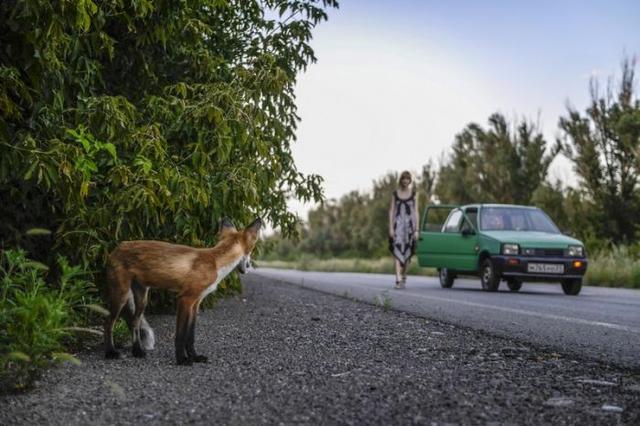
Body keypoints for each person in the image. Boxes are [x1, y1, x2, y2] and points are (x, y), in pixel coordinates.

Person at [388, 171, 419, 289]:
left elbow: (416, 212)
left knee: (408, 254)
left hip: (410, 228)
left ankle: (404, 275)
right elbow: (391, 210)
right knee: (397, 251)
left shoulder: (414, 194)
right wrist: (390, 227)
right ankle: (397, 279)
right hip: (398, 227)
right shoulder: (395, 194)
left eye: (408, 179)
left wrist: (416, 229)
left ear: (410, 180)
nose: (405, 181)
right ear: (400, 180)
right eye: (404, 179)